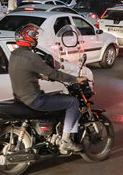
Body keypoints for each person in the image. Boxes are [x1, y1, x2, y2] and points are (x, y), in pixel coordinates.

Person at [8, 24, 88, 154]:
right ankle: (66, 141)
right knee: (72, 102)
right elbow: (54, 73)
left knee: (57, 97)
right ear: (28, 37)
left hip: (20, 98)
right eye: (34, 35)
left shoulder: (14, 54)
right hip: (34, 100)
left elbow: (23, 71)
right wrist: (75, 79)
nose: (36, 38)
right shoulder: (32, 57)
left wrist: (40, 76)